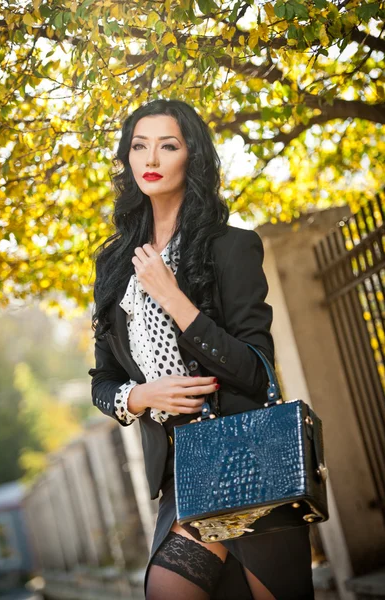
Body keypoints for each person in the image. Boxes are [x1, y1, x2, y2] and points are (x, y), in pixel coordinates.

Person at [88, 99, 315, 600]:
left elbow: (257, 373)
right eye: (139, 146)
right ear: (127, 160)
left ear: (191, 157)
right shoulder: (112, 267)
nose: (151, 157)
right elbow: (102, 381)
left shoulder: (231, 247)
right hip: (182, 472)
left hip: (251, 462)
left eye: (167, 145)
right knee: (167, 590)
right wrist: (144, 397)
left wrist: (173, 297)